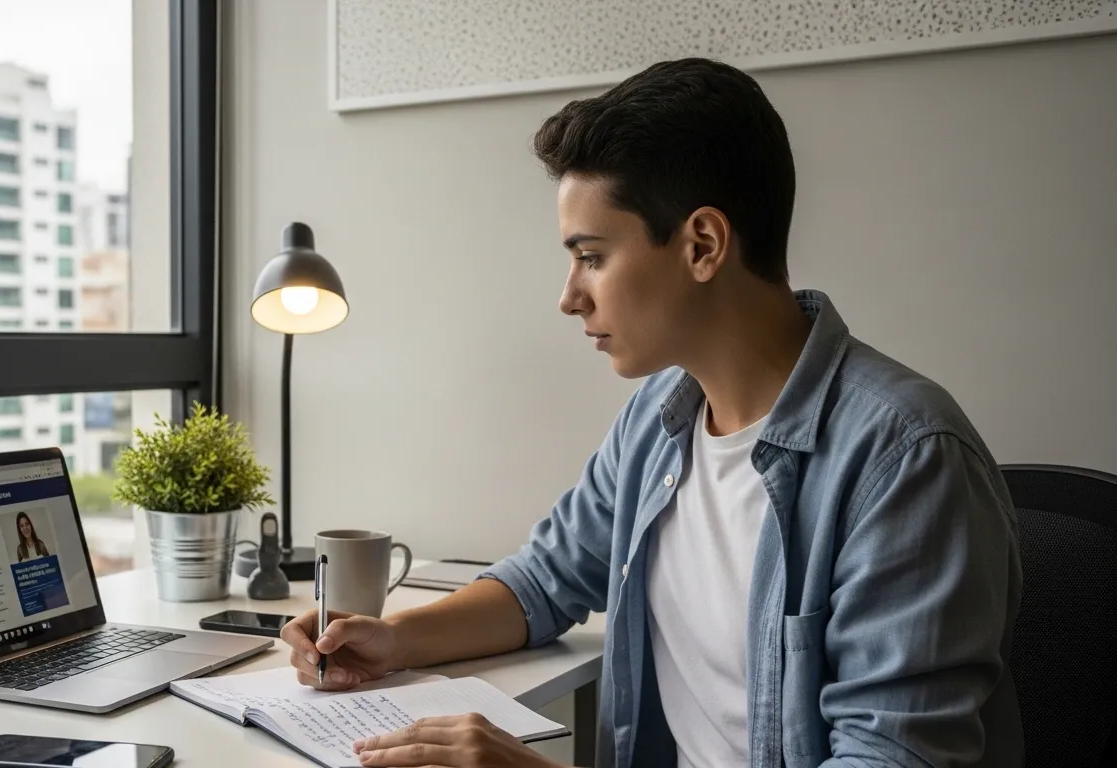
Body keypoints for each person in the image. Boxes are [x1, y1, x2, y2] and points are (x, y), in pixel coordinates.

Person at [281, 57, 1024, 768]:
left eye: (592, 256)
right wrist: (391, 638)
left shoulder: (905, 458)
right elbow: (543, 582)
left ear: (702, 244)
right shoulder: (659, 420)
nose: (570, 296)